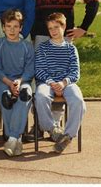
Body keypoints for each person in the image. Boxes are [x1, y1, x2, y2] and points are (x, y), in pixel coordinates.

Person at [35, 12, 86, 153]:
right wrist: (53, 83)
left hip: (67, 83)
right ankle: (53, 129)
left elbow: (75, 72)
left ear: (64, 27)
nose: (53, 31)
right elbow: (39, 70)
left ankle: (68, 137)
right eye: (50, 28)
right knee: (40, 96)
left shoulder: (70, 49)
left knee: (78, 101)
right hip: (47, 82)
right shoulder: (43, 48)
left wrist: (63, 83)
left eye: (56, 27)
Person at [0, 9, 35, 157]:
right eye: (8, 26)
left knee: (25, 94)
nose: (12, 30)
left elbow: (30, 69)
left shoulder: (27, 46)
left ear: (21, 28)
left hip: (21, 80)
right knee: (5, 96)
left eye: (16, 26)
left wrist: (19, 81)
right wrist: (9, 83)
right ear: (3, 27)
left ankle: (12, 138)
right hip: (3, 80)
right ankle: (16, 138)